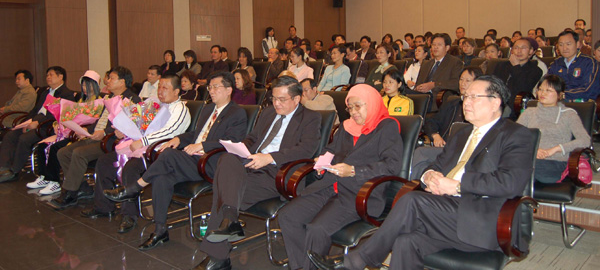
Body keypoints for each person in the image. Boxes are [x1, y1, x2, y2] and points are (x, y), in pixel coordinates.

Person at [308, 75, 535, 270]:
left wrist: (457, 185)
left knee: (412, 201)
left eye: (474, 97)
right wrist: (429, 176)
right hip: (446, 214)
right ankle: (360, 259)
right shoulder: (462, 133)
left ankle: (359, 259)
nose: (466, 102)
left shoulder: (516, 135)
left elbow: (510, 183)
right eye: (465, 96)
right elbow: (435, 165)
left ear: (495, 102)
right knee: (406, 242)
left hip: (485, 220)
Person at [191, 76, 321, 270]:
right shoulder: (268, 113)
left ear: (296, 99)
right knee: (227, 159)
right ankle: (229, 219)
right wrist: (241, 148)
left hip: (278, 173)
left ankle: (219, 254)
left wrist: (269, 157)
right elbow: (252, 138)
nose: (276, 103)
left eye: (282, 99)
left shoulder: (310, 118)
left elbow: (306, 149)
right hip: (251, 163)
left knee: (224, 192)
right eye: (274, 98)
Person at [100, 73, 245, 245]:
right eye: (210, 87)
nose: (211, 91)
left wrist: (202, 146)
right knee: (162, 177)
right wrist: (179, 139)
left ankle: (136, 187)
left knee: (168, 154)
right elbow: (196, 133)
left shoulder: (237, 113)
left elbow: (232, 142)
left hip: (211, 161)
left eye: (216, 87)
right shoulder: (208, 109)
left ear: (228, 90)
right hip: (192, 159)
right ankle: (160, 229)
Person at [279, 84, 403, 270]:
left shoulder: (387, 127)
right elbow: (331, 150)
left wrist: (353, 170)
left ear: (371, 103)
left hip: (359, 193)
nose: (353, 112)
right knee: (288, 216)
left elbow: (392, 165)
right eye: (350, 107)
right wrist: (322, 161)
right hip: (331, 185)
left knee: (317, 229)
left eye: (358, 106)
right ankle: (301, 266)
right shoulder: (347, 127)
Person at [83, 74, 191, 233]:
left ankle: (129, 215)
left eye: (165, 88)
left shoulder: (180, 109)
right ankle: (103, 206)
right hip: (137, 146)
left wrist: (143, 141)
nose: (160, 91)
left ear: (176, 91)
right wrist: (124, 130)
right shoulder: (154, 104)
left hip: (157, 153)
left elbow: (170, 132)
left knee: (131, 168)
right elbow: (137, 121)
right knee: (105, 161)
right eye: (159, 87)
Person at [50, 66, 141, 209]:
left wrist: (104, 132)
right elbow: (100, 120)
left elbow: (128, 125)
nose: (107, 81)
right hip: (96, 136)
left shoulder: (132, 99)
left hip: (111, 140)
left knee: (79, 153)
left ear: (122, 82)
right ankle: (83, 188)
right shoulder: (109, 98)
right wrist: (86, 130)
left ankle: (70, 194)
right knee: (63, 152)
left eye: (111, 78)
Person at [26, 70, 102, 195]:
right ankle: (44, 177)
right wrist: (57, 124)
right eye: (83, 85)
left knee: (56, 148)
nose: (84, 88)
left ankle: (54, 181)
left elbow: (92, 123)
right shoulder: (81, 101)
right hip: (69, 132)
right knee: (42, 145)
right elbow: (68, 115)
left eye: (87, 85)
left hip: (79, 136)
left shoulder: (99, 102)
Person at [0, 66, 76, 183]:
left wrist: (37, 123)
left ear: (60, 77)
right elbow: (35, 110)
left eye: (51, 75)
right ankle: (4, 167)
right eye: (47, 75)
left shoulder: (66, 94)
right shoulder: (45, 92)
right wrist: (26, 122)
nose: (48, 77)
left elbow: (60, 115)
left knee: (24, 139)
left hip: (47, 125)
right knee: (10, 135)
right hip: (35, 120)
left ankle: (14, 171)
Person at [517, 75, 590, 183]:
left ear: (560, 95)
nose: (542, 93)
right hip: (530, 159)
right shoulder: (529, 113)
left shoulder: (568, 114)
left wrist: (555, 149)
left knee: (521, 169)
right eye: (540, 89)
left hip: (554, 163)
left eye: (548, 90)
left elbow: (585, 140)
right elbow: (515, 136)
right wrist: (534, 150)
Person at [410, 33, 463, 111]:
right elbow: (418, 83)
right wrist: (418, 87)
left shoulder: (455, 62)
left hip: (438, 100)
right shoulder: (426, 64)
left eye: (439, 45)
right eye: (433, 44)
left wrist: (434, 85)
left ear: (447, 47)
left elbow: (456, 84)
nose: (435, 47)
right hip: (422, 98)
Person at [492, 38, 542, 117]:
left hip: (515, 105)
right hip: (497, 101)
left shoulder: (535, 70)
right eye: (516, 48)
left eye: (523, 48)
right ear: (512, 50)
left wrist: (516, 67)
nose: (519, 51)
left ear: (531, 51)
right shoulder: (501, 66)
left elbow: (523, 88)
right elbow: (493, 85)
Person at [548, 30, 600, 102]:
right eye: (561, 45)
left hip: (581, 104)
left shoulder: (589, 62)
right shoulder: (556, 64)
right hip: (557, 102)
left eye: (568, 44)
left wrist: (562, 95)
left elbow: (589, 90)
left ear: (578, 44)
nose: (564, 48)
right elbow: (547, 85)